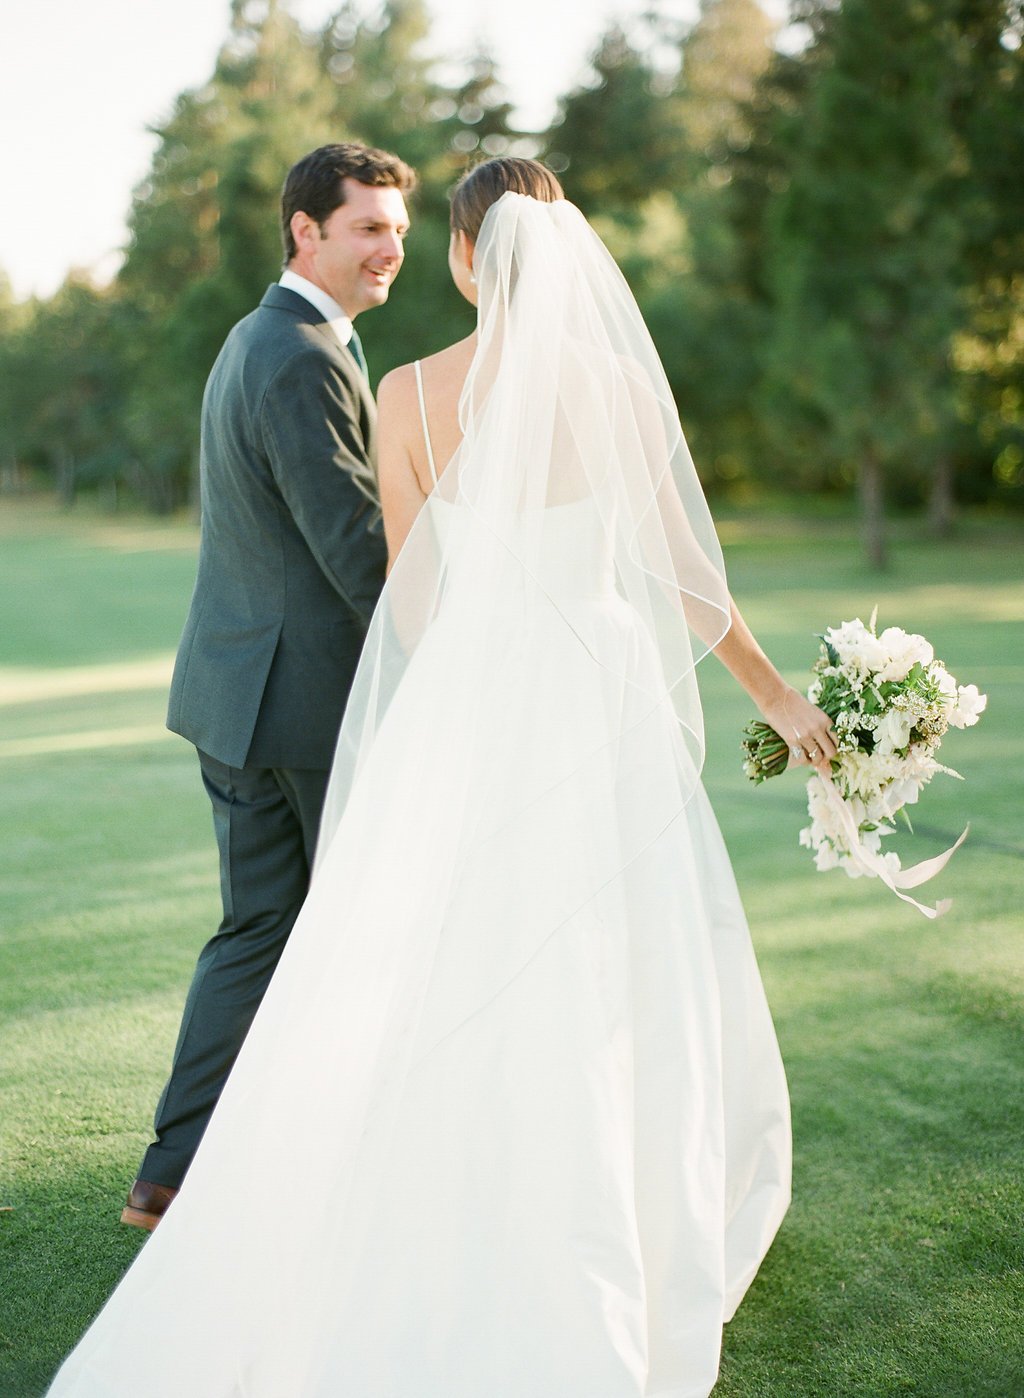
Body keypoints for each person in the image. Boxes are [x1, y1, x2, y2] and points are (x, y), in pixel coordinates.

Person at [49, 158, 836, 1397]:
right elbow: (689, 578)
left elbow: (410, 599)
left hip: (480, 705)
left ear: (469, 258)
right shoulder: (622, 387)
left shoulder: (408, 393)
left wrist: (460, 688)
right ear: (564, 248)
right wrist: (775, 695)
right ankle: (623, 1203)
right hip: (605, 701)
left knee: (446, 951)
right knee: (617, 955)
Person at [121, 142, 417, 1231]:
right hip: (299, 707)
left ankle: (174, 1172)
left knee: (258, 930)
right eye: (368, 228)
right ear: (307, 230)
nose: (391, 249)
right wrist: (459, 641)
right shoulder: (299, 354)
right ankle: (313, 1159)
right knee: (337, 928)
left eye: (395, 228)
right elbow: (354, 546)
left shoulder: (265, 337)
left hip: (238, 693)